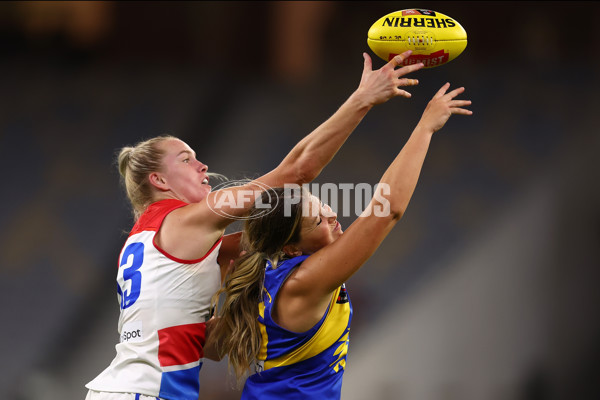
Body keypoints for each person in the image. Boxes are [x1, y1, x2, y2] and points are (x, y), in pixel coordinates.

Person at [85, 50, 424, 400]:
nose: (202, 166)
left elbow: (265, 241)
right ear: (159, 180)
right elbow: (295, 175)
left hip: (118, 388)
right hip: (149, 393)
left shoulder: (147, 240)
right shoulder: (190, 219)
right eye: (186, 160)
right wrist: (362, 100)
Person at [208, 83, 472, 399]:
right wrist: (425, 127)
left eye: (322, 205)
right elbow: (387, 211)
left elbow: (210, 346)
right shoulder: (305, 280)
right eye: (318, 220)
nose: (332, 216)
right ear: (292, 248)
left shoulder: (268, 276)